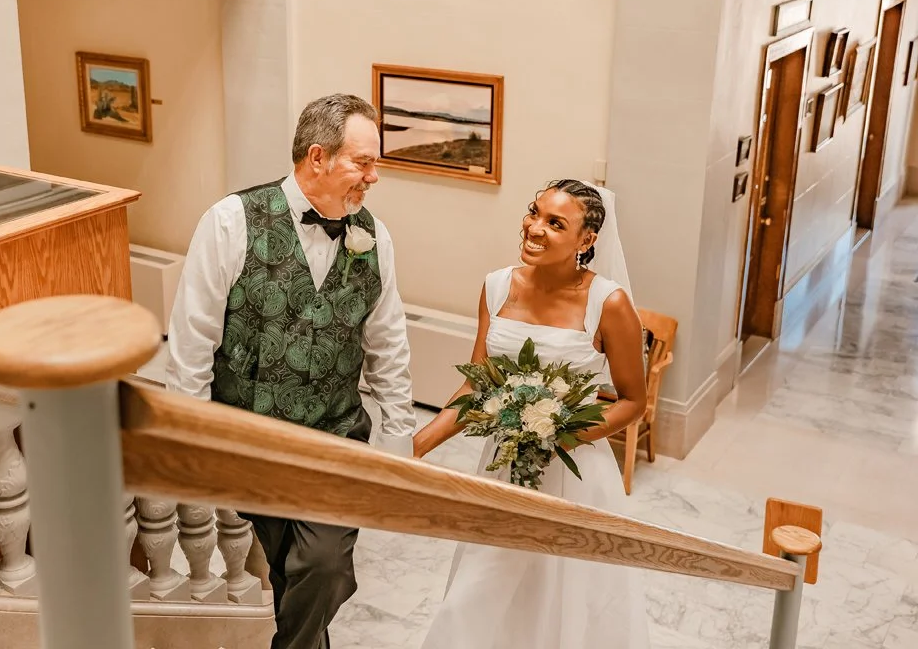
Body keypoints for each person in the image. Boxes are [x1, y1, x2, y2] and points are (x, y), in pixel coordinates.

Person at [166, 93, 416, 649]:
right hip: (252, 440)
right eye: (364, 162)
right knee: (292, 572)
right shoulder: (230, 222)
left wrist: (399, 446)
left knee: (323, 565)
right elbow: (192, 342)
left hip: (336, 437)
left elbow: (388, 344)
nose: (374, 178)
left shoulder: (374, 237)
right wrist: (193, 442)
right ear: (319, 157)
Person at [413, 178, 650, 649]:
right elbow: (478, 382)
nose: (534, 228)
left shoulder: (610, 303)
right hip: (503, 466)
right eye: (533, 212)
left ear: (586, 241)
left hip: (575, 473)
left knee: (563, 598)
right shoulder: (497, 285)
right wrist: (416, 446)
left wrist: (561, 435)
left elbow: (632, 401)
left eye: (555, 222)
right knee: (479, 589)